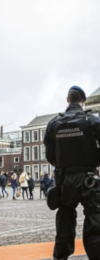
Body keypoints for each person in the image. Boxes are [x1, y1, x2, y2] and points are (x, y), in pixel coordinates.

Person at [44, 85, 100, 260]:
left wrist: (62, 165)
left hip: (65, 179)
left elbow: (49, 155)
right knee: (94, 218)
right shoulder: (91, 120)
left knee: (65, 218)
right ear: (82, 101)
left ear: (68, 100)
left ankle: (60, 257)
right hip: (88, 178)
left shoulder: (54, 123)